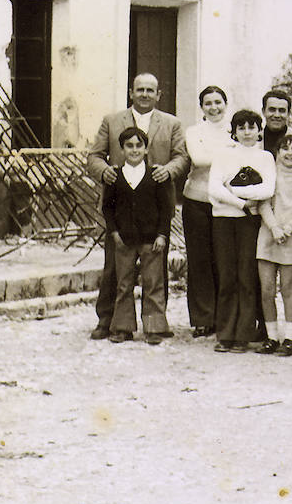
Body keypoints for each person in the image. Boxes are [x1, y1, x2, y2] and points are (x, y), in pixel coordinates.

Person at [86, 73, 189, 340]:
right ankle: (108, 320)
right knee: (115, 269)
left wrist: (168, 170)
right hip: (121, 206)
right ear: (131, 93)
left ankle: (156, 323)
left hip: (155, 208)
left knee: (155, 271)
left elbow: (182, 157)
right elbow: (94, 156)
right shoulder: (112, 121)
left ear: (159, 95)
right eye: (139, 89)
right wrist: (104, 171)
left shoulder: (171, 123)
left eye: (150, 90)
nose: (144, 94)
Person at [207, 110, 276, 352]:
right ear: (234, 131)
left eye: (252, 127)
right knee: (227, 276)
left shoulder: (266, 157)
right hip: (224, 220)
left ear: (259, 130)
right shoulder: (224, 155)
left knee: (247, 276)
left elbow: (268, 189)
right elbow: (214, 188)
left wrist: (234, 191)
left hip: (250, 223)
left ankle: (243, 334)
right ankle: (225, 333)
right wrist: (242, 203)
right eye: (242, 127)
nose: (247, 132)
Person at [100, 126, 173, 345]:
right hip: (124, 238)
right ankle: (122, 327)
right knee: (124, 283)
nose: (134, 150)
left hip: (151, 239)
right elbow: (107, 208)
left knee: (153, 282)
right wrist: (114, 232)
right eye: (129, 146)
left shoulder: (156, 176)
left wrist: (162, 235)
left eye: (138, 145)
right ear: (122, 149)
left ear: (146, 148)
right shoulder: (115, 177)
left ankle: (154, 327)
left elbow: (166, 209)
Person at [259, 89, 292, 342]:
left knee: (289, 288)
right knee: (266, 289)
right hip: (268, 234)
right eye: (272, 109)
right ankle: (270, 335)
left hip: (291, 236)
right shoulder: (270, 171)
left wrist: (287, 228)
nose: (289, 154)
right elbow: (263, 203)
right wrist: (274, 228)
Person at [180, 85, 230, 338]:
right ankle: (202, 317)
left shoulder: (234, 130)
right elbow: (198, 159)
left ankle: (223, 317)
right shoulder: (194, 131)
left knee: (223, 259)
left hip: (226, 202)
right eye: (208, 103)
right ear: (201, 107)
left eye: (218, 102)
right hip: (197, 200)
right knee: (199, 260)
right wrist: (231, 154)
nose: (214, 107)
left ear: (225, 104)